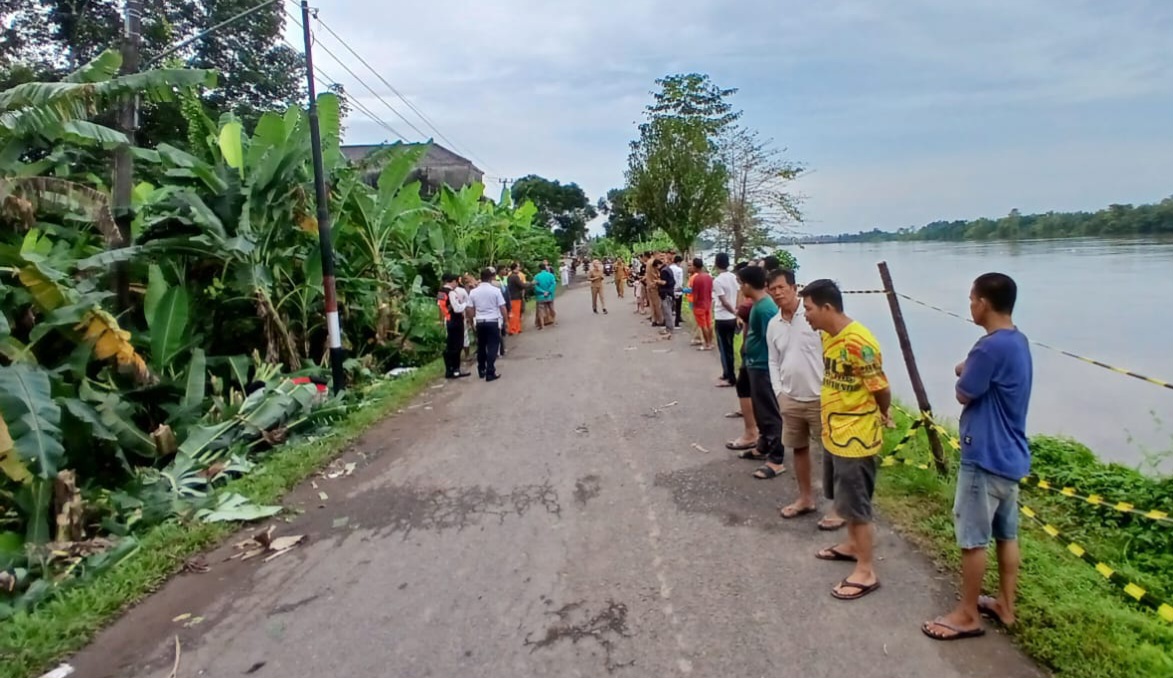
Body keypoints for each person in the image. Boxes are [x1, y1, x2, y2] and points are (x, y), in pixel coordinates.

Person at [923, 273, 1032, 641]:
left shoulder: (987, 348)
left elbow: (964, 393)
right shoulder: (1017, 341)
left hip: (984, 455)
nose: (970, 305)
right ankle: (1005, 603)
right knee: (1006, 534)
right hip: (1011, 455)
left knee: (972, 538)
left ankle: (967, 614)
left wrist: (964, 370)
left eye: (972, 299)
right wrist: (969, 368)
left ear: (983, 302)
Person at [801, 279, 891, 601]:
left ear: (827, 308)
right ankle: (853, 545)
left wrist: (884, 414)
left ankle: (866, 570)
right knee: (841, 497)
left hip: (856, 437)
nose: (806, 316)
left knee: (856, 502)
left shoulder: (859, 342)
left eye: (809, 309)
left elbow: (880, 388)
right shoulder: (829, 337)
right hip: (835, 431)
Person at [767, 269, 844, 529]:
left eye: (781, 287)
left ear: (793, 287)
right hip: (791, 397)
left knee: (834, 453)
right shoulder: (773, 323)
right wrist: (779, 391)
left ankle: (839, 507)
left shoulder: (814, 317)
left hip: (822, 397)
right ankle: (805, 498)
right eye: (772, 289)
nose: (777, 293)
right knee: (798, 448)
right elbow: (773, 360)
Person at [736, 265, 785, 480]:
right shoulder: (759, 305)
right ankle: (763, 445)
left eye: (740, 284)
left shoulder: (765, 308)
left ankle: (776, 458)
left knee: (768, 412)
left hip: (764, 366)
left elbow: (774, 339)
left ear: (747, 285)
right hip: (754, 363)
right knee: (759, 408)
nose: (740, 288)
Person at [469, 267, 507, 381]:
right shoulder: (495, 290)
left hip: (480, 321)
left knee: (481, 346)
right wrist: (505, 321)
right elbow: (502, 307)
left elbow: (470, 309)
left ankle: (481, 369)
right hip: (492, 321)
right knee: (493, 346)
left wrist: (472, 322)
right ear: (491, 277)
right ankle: (490, 372)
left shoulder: (473, 292)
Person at [712, 253, 740, 387]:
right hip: (732, 318)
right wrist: (737, 311)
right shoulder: (734, 278)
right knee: (729, 347)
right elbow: (739, 294)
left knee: (724, 348)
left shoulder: (717, 281)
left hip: (722, 317)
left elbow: (723, 301)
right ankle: (726, 372)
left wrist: (733, 310)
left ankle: (730, 377)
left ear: (716, 263)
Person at [437, 273, 472, 379]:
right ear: (453, 281)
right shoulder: (451, 292)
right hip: (456, 321)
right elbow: (457, 308)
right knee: (457, 346)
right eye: (456, 282)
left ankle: (449, 370)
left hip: (448, 319)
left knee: (450, 345)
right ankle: (456, 370)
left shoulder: (441, 292)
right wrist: (466, 304)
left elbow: (440, 306)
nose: (457, 284)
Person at [690, 258, 714, 351]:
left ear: (695, 267)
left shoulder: (697, 279)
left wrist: (694, 304)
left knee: (702, 325)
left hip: (700, 304)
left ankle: (707, 343)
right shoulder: (708, 277)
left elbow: (695, 294)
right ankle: (710, 342)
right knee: (709, 323)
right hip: (708, 302)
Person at [506, 263, 530, 336]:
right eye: (518, 267)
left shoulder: (510, 276)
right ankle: (513, 329)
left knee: (516, 313)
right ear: (515, 268)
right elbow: (522, 285)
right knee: (515, 314)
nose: (519, 268)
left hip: (512, 297)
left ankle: (517, 328)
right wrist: (531, 283)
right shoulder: (514, 277)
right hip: (515, 297)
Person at [533, 263, 558, 329]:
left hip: (540, 296)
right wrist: (548, 291)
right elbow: (553, 284)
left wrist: (542, 291)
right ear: (545, 268)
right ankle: (554, 322)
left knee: (540, 311)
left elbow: (535, 286)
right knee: (551, 308)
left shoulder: (536, 276)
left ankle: (542, 325)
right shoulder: (550, 275)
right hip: (549, 296)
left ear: (539, 268)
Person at [658, 256, 676, 335]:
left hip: (666, 293)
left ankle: (669, 329)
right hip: (670, 292)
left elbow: (664, 282)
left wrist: (657, 281)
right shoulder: (669, 269)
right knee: (668, 311)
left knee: (667, 312)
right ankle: (669, 327)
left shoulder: (663, 271)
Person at [670, 255, 685, 328]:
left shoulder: (669, 268)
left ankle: (669, 322)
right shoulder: (679, 270)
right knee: (678, 307)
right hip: (678, 290)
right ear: (678, 262)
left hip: (670, 289)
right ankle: (677, 322)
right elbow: (680, 281)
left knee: (670, 306)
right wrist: (680, 288)